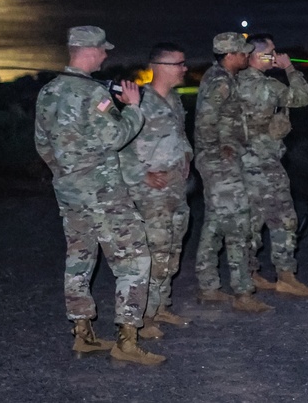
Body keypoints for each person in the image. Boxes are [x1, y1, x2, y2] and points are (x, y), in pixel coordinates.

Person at [34, 25, 164, 366]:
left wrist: (67, 174)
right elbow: (115, 137)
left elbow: (42, 144)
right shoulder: (93, 94)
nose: (106, 55)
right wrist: (133, 107)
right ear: (89, 50)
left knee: (79, 259)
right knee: (135, 260)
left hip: (69, 191)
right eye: (103, 50)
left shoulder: (48, 91)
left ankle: (83, 335)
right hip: (103, 193)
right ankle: (127, 340)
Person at [118, 43, 194, 340]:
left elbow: (181, 133)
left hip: (176, 187)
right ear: (161, 67)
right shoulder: (139, 102)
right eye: (179, 63)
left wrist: (187, 155)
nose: (185, 68)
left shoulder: (174, 99)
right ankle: (144, 317)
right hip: (152, 194)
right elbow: (120, 147)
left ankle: (161, 306)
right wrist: (142, 175)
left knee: (173, 251)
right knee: (154, 253)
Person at [193, 32, 272, 312]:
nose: (245, 56)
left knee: (215, 222)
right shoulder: (220, 82)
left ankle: (209, 286)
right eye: (241, 53)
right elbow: (205, 121)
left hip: (218, 160)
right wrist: (218, 149)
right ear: (229, 56)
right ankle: (242, 292)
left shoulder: (220, 77)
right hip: (219, 163)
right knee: (238, 222)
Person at [236, 34, 308, 298]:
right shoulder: (269, 86)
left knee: (253, 219)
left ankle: (249, 273)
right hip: (265, 163)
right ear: (258, 56)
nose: (275, 56)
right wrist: (289, 68)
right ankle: (286, 275)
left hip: (240, 162)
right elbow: (302, 98)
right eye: (271, 52)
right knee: (284, 218)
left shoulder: (233, 84)